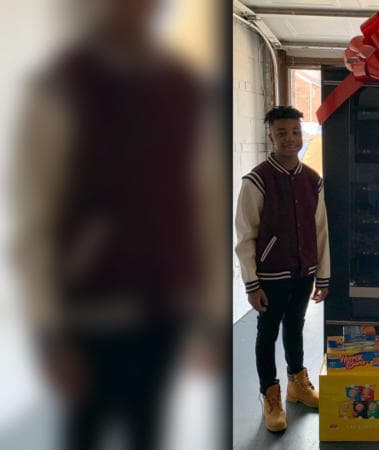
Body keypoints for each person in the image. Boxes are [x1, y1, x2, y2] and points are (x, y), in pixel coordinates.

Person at [13, 1, 226, 449]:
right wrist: (48, 333)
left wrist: (212, 317)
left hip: (166, 307)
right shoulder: (61, 88)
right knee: (85, 433)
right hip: (89, 313)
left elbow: (204, 208)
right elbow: (35, 222)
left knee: (147, 428)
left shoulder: (183, 90)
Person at [234, 106, 331, 432]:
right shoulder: (257, 181)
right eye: (282, 133)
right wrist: (252, 284)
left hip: (304, 273)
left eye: (295, 132)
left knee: (295, 326)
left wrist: (323, 275)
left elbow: (320, 230)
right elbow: (245, 237)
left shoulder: (312, 180)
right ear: (270, 136)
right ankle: (270, 395)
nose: (290, 139)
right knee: (267, 332)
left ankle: (297, 384)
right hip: (270, 277)